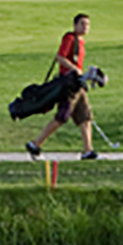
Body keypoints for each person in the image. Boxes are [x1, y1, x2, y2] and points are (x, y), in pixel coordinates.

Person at [25, 13, 97, 160]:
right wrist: (74, 69)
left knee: (85, 117)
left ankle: (87, 150)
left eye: (87, 24)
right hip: (68, 85)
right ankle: (35, 144)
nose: (85, 27)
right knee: (62, 117)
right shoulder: (69, 38)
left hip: (78, 85)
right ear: (75, 25)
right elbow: (60, 57)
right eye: (82, 24)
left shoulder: (80, 41)